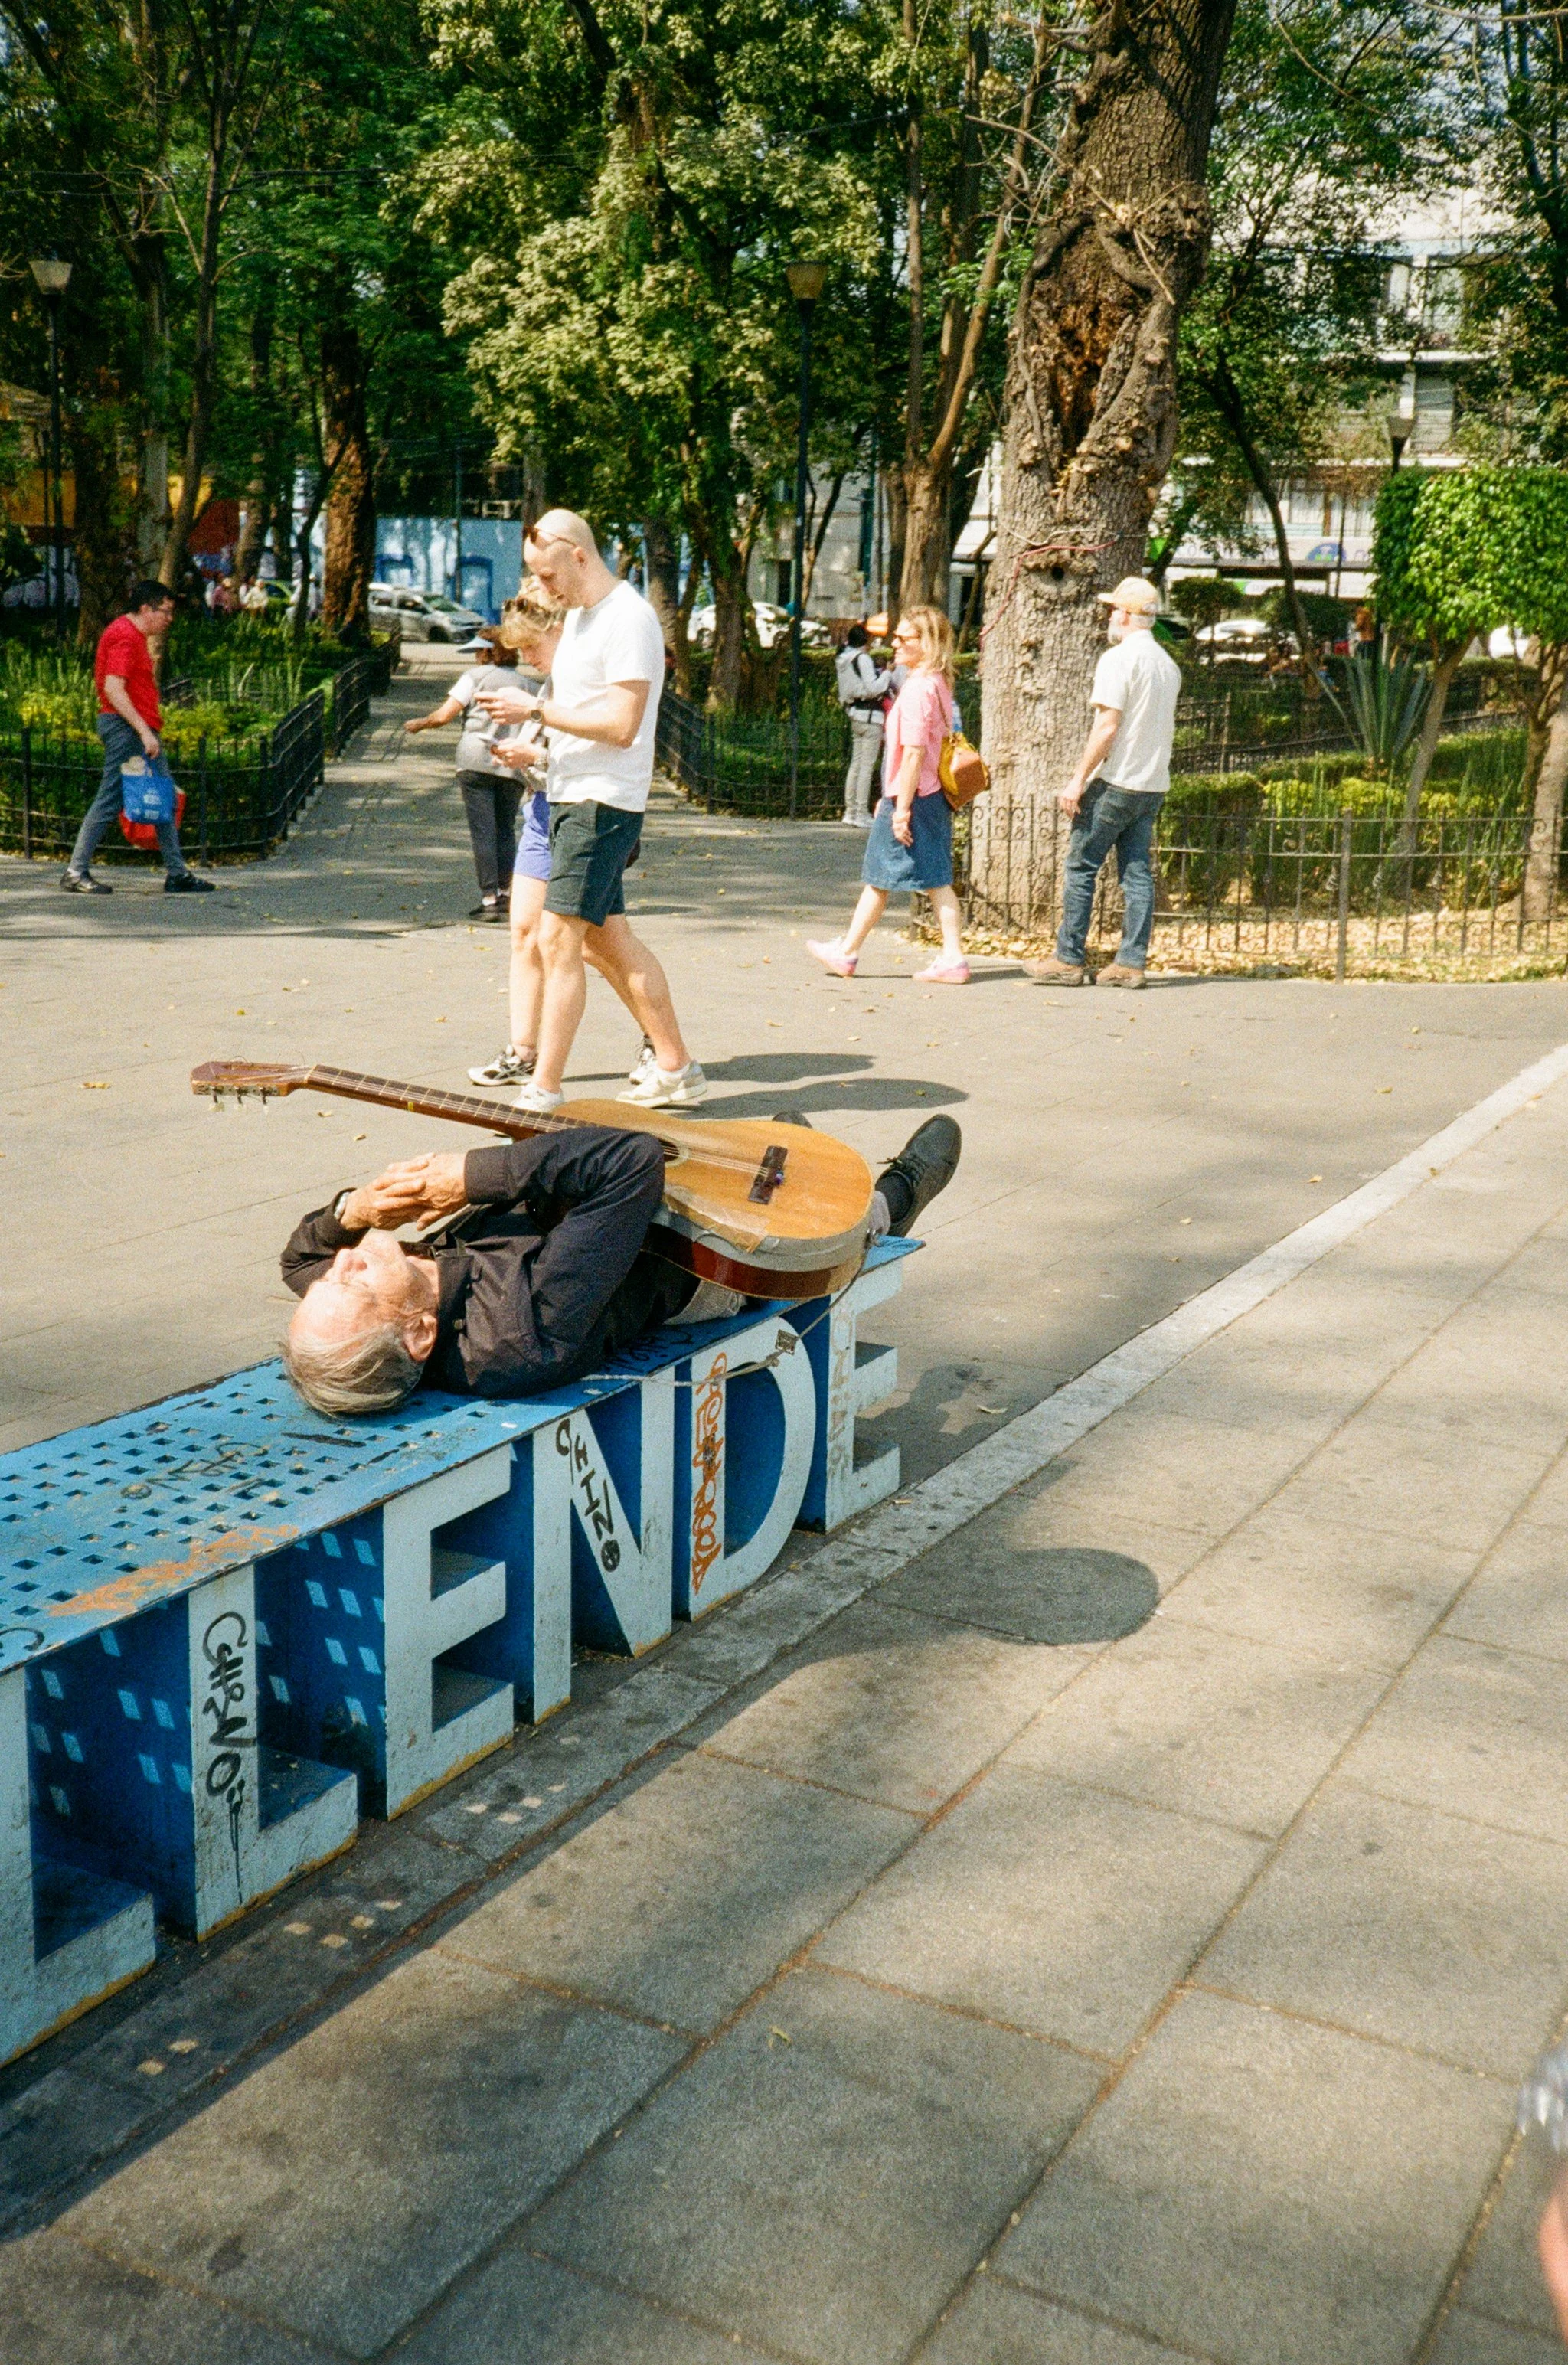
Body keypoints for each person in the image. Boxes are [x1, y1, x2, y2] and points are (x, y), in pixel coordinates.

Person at [279, 1113, 962, 1417]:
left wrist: (358, 1205)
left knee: (769, 1155)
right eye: (355, 1280)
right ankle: (888, 1203)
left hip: (602, 1216)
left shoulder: (373, 1301)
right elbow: (631, 1163)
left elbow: (299, 1257)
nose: (339, 1264)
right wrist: (475, 1174)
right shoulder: (516, 1329)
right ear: (420, 1334)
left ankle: (793, 1153)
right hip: (690, 1265)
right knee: (801, 1233)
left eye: (332, 1278)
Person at [472, 508, 705, 1115]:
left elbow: (624, 726)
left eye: (548, 575)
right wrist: (538, 738)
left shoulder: (629, 618)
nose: (543, 589)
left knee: (559, 939)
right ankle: (677, 1066)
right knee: (609, 942)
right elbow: (578, 709)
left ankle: (545, 1086)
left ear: (579, 554)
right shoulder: (578, 617)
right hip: (570, 794)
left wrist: (537, 712)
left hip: (603, 801)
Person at [1025, 574, 1181, 991]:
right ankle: (1131, 961)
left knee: (1081, 865)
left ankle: (1068, 958)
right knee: (1137, 873)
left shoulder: (1118, 659)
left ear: (1128, 615)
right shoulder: (1167, 665)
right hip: (1152, 784)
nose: (1110, 616)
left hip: (1116, 781)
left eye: (1114, 609)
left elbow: (1107, 726)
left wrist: (1077, 779)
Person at [806, 604, 969, 986]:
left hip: (914, 798)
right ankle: (951, 957)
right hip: (930, 794)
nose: (893, 643)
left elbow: (912, 752)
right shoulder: (940, 684)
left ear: (925, 643)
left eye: (902, 637)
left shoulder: (917, 689)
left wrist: (900, 807)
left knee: (881, 878)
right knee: (936, 881)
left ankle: (847, 952)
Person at [61, 581, 215, 897]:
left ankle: (177, 873)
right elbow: (113, 688)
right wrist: (144, 731)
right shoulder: (126, 637)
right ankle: (76, 871)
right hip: (127, 731)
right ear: (146, 608)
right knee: (111, 798)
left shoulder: (131, 636)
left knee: (163, 798)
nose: (169, 618)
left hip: (131, 729)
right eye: (166, 611)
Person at [403, 624, 531, 921]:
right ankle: (507, 895)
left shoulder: (473, 678)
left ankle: (488, 900)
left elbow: (444, 715)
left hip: (474, 762)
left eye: (477, 650)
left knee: (483, 830)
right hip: (512, 763)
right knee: (505, 829)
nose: (475, 656)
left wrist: (420, 724)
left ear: (486, 651)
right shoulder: (529, 685)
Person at [835, 623, 896, 828]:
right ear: (866, 641)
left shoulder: (843, 659)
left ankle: (850, 810)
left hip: (855, 714)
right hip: (871, 716)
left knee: (856, 763)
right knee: (867, 766)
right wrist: (887, 675)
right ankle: (861, 812)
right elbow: (872, 689)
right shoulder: (862, 659)